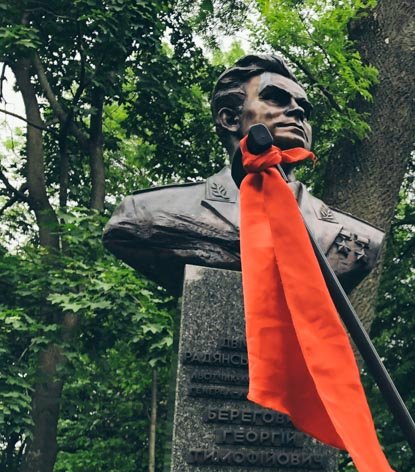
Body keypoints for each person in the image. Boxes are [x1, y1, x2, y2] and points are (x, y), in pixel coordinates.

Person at [103, 54, 380, 294]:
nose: (296, 110)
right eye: (275, 98)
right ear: (230, 119)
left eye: (304, 109)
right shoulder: (145, 212)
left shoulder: (357, 239)